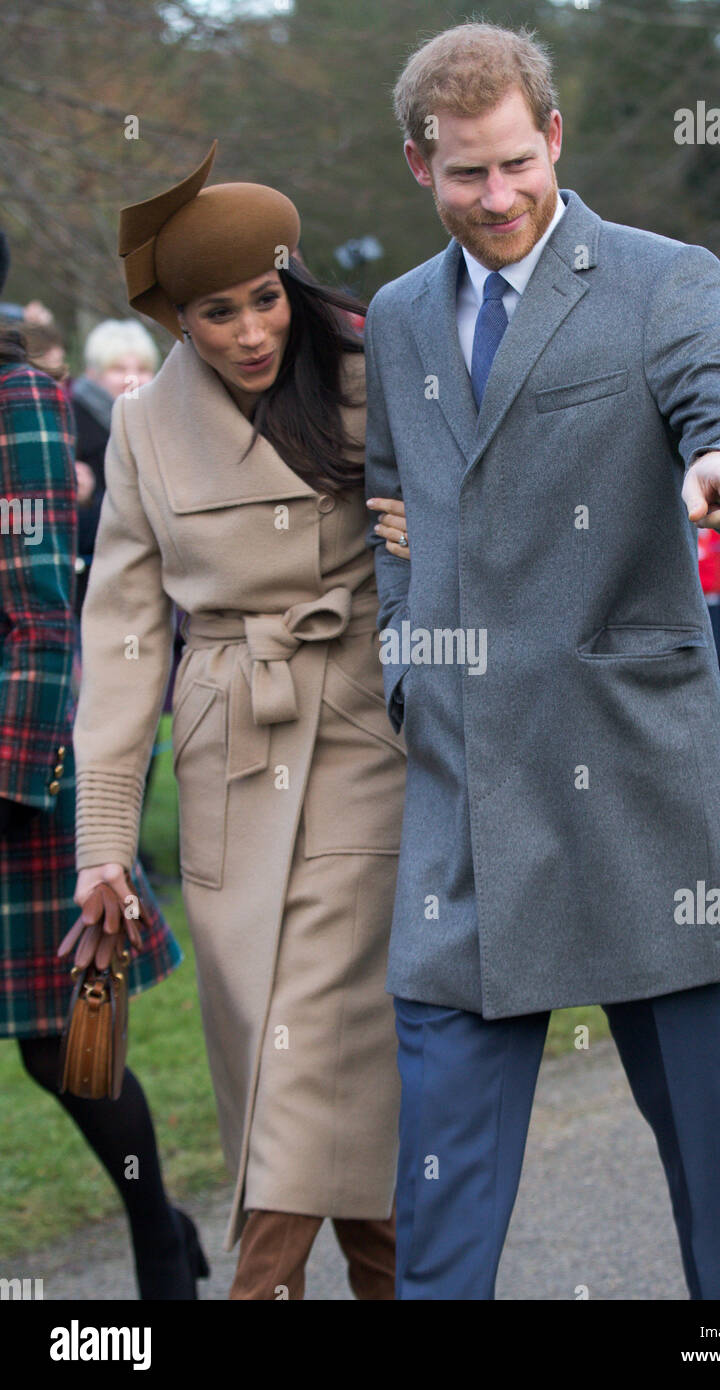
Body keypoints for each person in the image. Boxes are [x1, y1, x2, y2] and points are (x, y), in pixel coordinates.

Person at [364, 21, 720, 1300]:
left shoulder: (663, 277)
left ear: (550, 136)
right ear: (418, 165)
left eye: (514, 163)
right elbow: (392, 508)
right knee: (439, 1188)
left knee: (707, 1162)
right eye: (464, 175)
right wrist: (408, 660)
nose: (495, 198)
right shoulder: (396, 317)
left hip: (628, 783)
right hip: (462, 799)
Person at [71, 142, 411, 1300]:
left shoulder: (377, 368)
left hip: (364, 733)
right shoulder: (140, 431)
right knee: (274, 1047)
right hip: (226, 753)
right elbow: (121, 641)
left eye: (267, 297)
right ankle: (391, 1274)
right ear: (177, 318)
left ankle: (256, 1284)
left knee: (321, 1035)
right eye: (219, 312)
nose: (254, 330)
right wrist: (106, 845)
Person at [0, 228, 202, 1300]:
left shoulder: (23, 403)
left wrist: (13, 779)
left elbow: (41, 613)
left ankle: (156, 1240)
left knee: (61, 1051)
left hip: (14, 772)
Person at [70, 319, 160, 616]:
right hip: (87, 591)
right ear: (93, 373)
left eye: (142, 369)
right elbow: (32, 525)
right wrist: (82, 500)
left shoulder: (161, 425)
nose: (132, 379)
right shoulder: (70, 424)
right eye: (119, 369)